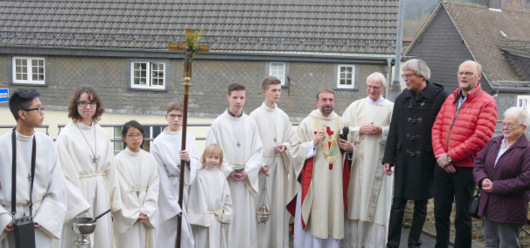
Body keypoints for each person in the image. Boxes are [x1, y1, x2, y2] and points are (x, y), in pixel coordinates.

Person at [382, 59, 448, 248]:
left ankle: (414, 243)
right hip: (403, 157)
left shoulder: (440, 96)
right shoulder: (402, 97)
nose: (405, 79)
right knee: (397, 203)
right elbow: (394, 129)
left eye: (408, 76)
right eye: (404, 76)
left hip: (426, 158)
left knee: (421, 204)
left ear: (421, 76)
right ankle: (392, 244)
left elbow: (445, 129)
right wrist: (389, 158)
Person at [431, 60, 497, 248]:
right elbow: (436, 128)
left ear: (479, 76)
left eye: (468, 73)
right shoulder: (450, 99)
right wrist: (441, 157)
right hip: (442, 165)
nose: (463, 76)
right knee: (440, 214)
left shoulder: (487, 102)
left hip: (467, 169)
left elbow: (481, 137)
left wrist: (450, 156)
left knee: (463, 217)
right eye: (461, 73)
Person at [56, 85, 121, 248]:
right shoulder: (66, 135)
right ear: (75, 105)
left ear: (97, 106)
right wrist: (78, 203)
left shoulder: (102, 133)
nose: (87, 107)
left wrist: (114, 201)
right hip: (78, 194)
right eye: (83, 102)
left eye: (92, 103)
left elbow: (110, 170)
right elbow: (62, 174)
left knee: (101, 239)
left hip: (101, 193)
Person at [287, 89, 354, 248]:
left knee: (332, 215)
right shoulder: (307, 122)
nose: (328, 103)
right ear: (317, 102)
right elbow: (294, 151)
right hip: (315, 182)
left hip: (335, 182)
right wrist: (312, 143)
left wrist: (351, 150)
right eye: (324, 100)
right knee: (316, 215)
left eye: (331, 100)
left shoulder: (341, 122)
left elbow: (347, 154)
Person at [0, 89, 66, 247]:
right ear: (22, 114)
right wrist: (3, 219)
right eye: (38, 109)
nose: (42, 113)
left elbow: (57, 187)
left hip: (40, 221)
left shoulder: (47, 143)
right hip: (10, 223)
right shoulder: (2, 146)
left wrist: (44, 218)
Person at [205, 83, 263, 248]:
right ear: (228, 98)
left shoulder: (251, 123)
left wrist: (248, 171)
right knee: (227, 221)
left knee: (244, 223)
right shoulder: (218, 124)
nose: (238, 101)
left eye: (242, 98)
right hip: (226, 181)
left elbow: (258, 151)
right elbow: (210, 151)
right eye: (235, 97)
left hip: (244, 182)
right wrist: (229, 171)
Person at [341, 72, 394, 248]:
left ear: (383, 89)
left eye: (376, 87)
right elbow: (343, 129)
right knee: (356, 203)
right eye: (369, 86)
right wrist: (359, 130)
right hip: (358, 165)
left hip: (380, 166)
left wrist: (382, 131)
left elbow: (398, 133)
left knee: (377, 208)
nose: (371, 90)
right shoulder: (356, 106)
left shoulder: (391, 108)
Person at [249, 76, 295, 248]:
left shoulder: (283, 116)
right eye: (273, 90)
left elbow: (293, 140)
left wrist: (285, 146)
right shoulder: (254, 116)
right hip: (263, 170)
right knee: (262, 209)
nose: (277, 94)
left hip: (280, 169)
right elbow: (250, 144)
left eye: (279, 90)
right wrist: (259, 163)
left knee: (278, 210)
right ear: (264, 92)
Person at [473, 107, 530, 248]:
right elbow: (478, 163)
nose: (505, 127)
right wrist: (482, 179)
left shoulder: (527, 149)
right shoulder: (494, 142)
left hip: (510, 208)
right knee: (490, 243)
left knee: (508, 245)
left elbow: (526, 179)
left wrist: (495, 186)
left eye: (510, 124)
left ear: (523, 128)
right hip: (488, 204)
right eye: (504, 123)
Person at [151, 101, 199, 248]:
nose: (176, 120)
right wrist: (171, 204)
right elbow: (159, 175)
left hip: (186, 188)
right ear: (166, 117)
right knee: (170, 234)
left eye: (180, 116)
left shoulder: (189, 138)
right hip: (168, 193)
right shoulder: (158, 142)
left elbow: (198, 162)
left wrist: (190, 160)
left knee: (187, 233)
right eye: (173, 116)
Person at [113, 120, 159, 248]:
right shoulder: (118, 161)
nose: (136, 138)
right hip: (127, 212)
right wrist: (133, 213)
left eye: (139, 134)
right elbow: (119, 189)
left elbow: (154, 186)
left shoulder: (150, 158)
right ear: (124, 138)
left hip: (146, 210)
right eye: (131, 135)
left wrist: (147, 210)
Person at [187, 144, 233, 248]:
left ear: (220, 160)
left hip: (217, 219)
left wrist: (226, 214)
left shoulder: (221, 176)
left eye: (216, 158)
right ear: (204, 158)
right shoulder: (200, 175)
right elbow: (197, 198)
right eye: (210, 157)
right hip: (204, 220)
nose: (213, 160)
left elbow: (227, 197)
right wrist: (203, 219)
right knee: (203, 243)